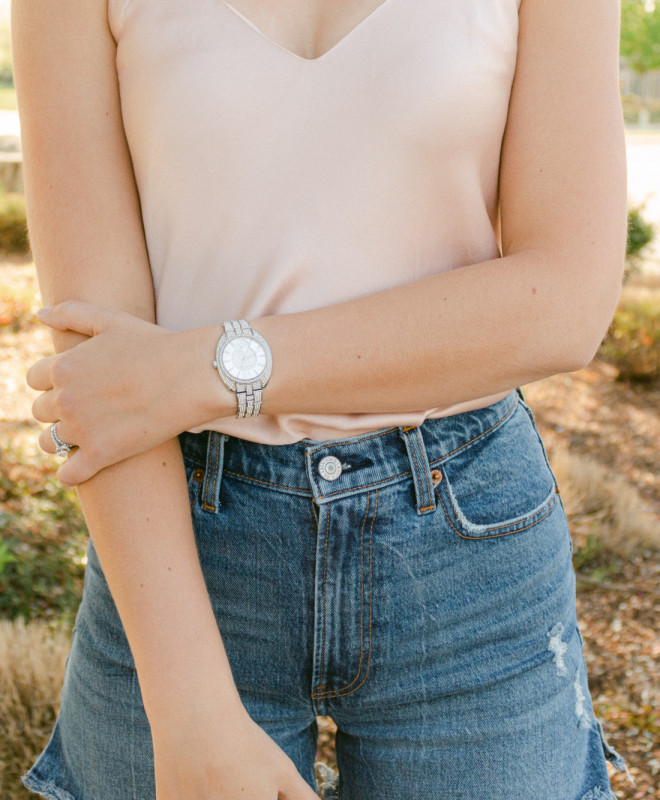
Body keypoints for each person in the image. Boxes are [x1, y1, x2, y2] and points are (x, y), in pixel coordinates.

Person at [13, 0, 634, 798]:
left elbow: (564, 303)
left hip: (466, 547)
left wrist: (211, 367)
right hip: (173, 537)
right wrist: (189, 705)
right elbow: (102, 368)